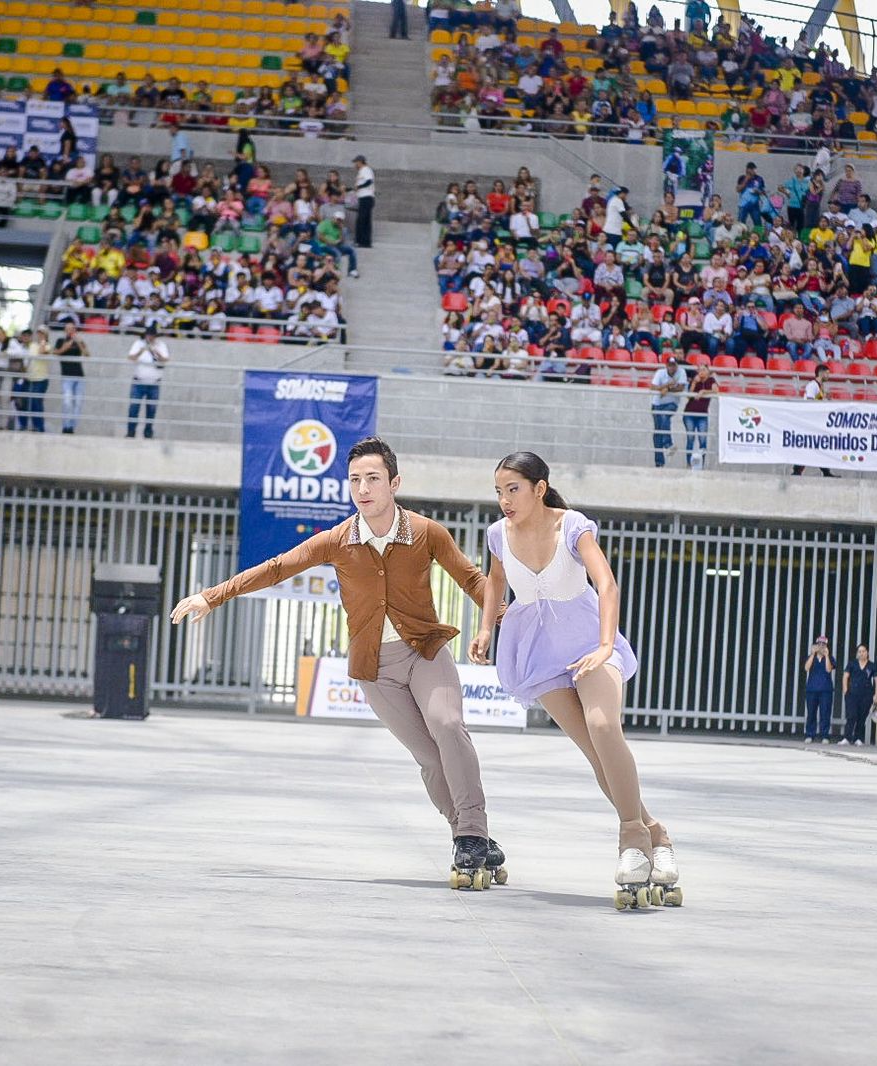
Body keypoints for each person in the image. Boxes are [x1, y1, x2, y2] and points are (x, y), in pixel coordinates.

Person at [171, 438, 506, 888]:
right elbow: (278, 567)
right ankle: (470, 837)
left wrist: (508, 617)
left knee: (447, 725)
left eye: (373, 479)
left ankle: (471, 833)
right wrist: (212, 596)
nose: (363, 489)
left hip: (425, 651)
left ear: (394, 483)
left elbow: (473, 580)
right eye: (354, 480)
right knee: (429, 758)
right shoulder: (338, 539)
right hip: (375, 668)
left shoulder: (426, 532)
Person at [469, 452, 679, 906]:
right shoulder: (498, 534)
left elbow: (607, 584)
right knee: (596, 755)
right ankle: (655, 832)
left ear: (539, 489)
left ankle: (632, 840)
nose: (505, 500)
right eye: (499, 492)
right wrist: (485, 628)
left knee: (604, 727)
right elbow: (496, 581)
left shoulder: (572, 526)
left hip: (589, 645)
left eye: (513, 490)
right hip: (541, 654)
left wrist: (605, 645)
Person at [792, 364, 836, 477]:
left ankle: (823, 471)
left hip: (813, 421)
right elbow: (810, 402)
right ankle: (798, 470)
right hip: (808, 420)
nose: (829, 376)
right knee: (810, 445)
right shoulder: (813, 385)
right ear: (821, 373)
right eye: (827, 373)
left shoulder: (820, 387)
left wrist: (825, 398)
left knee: (816, 445)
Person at [126, 325, 169, 438]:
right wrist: (142, 350)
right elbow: (131, 357)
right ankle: (131, 432)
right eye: (149, 335)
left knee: (151, 410)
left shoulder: (161, 345)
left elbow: (165, 359)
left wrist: (156, 352)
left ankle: (148, 433)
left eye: (152, 335)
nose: (150, 337)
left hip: (154, 383)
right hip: (139, 382)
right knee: (134, 408)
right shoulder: (138, 343)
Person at [649, 354, 688, 467]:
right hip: (657, 403)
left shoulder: (681, 372)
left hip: (671, 403)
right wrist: (666, 385)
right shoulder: (660, 372)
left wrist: (667, 389)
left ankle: (668, 444)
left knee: (665, 416)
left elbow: (681, 388)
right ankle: (659, 463)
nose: (672, 368)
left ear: (677, 365)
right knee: (657, 433)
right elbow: (652, 387)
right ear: (666, 365)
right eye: (670, 365)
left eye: (674, 365)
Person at [53, 321, 90, 434]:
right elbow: (56, 352)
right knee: (67, 401)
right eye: (68, 329)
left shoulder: (79, 341)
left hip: (79, 376)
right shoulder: (60, 341)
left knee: (78, 403)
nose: (70, 331)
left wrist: (79, 343)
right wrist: (66, 346)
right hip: (66, 376)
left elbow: (87, 354)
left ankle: (71, 428)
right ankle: (66, 426)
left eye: (72, 329)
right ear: (65, 330)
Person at [682, 361, 717, 470]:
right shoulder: (694, 380)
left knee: (703, 440)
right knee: (690, 438)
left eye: (704, 370)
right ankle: (688, 464)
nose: (701, 372)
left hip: (702, 415)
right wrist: (694, 383)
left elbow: (716, 391)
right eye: (699, 370)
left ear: (708, 371)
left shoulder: (711, 380)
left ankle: (701, 465)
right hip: (689, 413)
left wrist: (703, 391)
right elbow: (688, 396)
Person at [841, 643, 877, 746]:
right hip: (852, 694)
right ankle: (847, 738)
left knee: (862, 717)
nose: (861, 653)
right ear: (857, 653)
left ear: (867, 653)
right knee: (851, 715)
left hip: (866, 695)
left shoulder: (872, 665)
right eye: (859, 651)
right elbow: (845, 676)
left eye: (863, 651)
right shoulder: (852, 664)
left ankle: (858, 738)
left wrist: (876, 694)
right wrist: (845, 690)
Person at [802, 636, 836, 743]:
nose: (821, 646)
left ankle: (825, 735)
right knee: (811, 713)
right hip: (812, 689)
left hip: (826, 690)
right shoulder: (811, 657)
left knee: (825, 713)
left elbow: (828, 669)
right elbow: (806, 668)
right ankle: (809, 734)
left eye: (823, 644)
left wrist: (827, 656)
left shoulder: (830, 658)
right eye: (819, 644)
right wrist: (812, 654)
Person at [353, 154, 375, 248]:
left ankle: (362, 241)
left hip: (366, 198)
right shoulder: (362, 171)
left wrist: (359, 187)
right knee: (364, 220)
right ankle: (365, 242)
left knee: (362, 220)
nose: (355, 165)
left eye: (356, 162)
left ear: (360, 162)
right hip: (363, 198)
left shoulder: (365, 169)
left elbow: (369, 181)